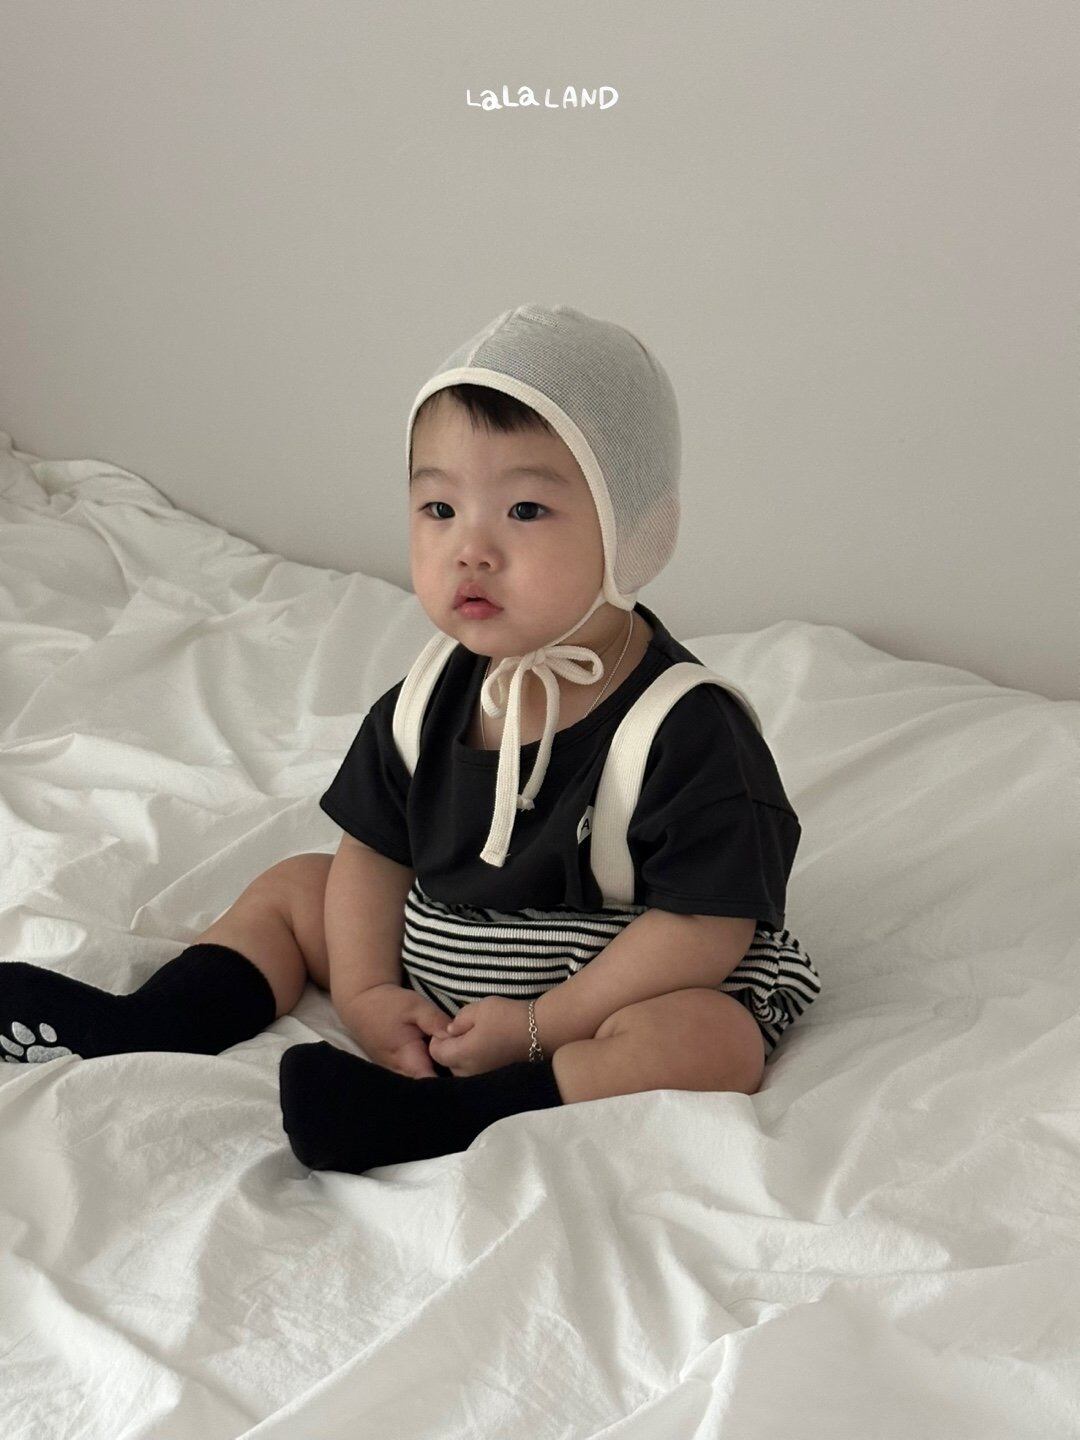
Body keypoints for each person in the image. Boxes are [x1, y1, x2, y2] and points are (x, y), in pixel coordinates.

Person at [1, 304, 821, 1177]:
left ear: (635, 534)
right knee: (298, 886)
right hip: (443, 957)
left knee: (710, 1040)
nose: (471, 549)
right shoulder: (429, 697)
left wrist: (540, 1026)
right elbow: (375, 852)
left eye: (526, 509)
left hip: (604, 982)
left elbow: (702, 930)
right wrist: (366, 994)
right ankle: (150, 1024)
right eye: (439, 507)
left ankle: (443, 1117)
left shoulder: (685, 727)